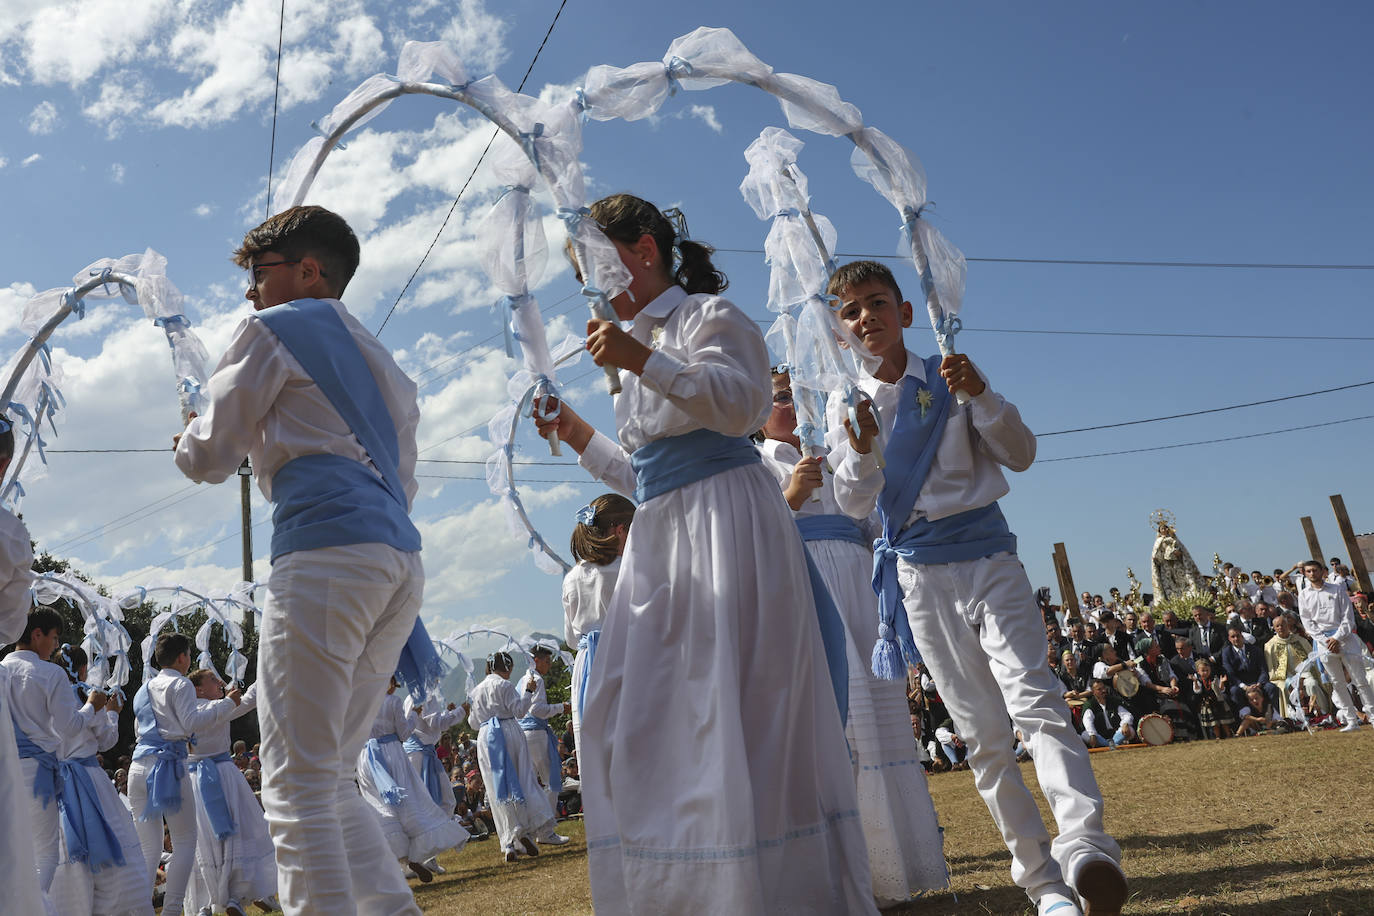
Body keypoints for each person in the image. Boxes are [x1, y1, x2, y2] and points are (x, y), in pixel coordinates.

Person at [536, 195, 876, 914]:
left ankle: (779, 890)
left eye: (597, 266)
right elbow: (647, 474)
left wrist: (644, 359)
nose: (592, 288)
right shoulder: (629, 352)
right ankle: (695, 890)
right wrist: (573, 430)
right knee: (648, 709)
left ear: (646, 250)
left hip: (730, 522)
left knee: (741, 701)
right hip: (664, 533)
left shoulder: (707, 319)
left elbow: (738, 408)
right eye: (581, 276)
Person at [825, 259, 1125, 916]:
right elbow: (850, 503)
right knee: (983, 735)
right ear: (838, 329)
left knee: (1037, 702)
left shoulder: (950, 376)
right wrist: (860, 450)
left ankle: (1087, 846)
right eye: (849, 311)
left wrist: (983, 395)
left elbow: (1020, 452)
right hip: (919, 577)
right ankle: (1044, 884)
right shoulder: (844, 403)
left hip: (988, 556)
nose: (865, 317)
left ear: (905, 313)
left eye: (876, 303)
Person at [173, 205, 427, 916]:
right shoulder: (380, 355)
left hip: (325, 553)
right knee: (331, 778)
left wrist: (187, 438)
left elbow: (213, 456)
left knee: (294, 783)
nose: (251, 292)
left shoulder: (270, 330)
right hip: (394, 558)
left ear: (309, 271)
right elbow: (402, 475)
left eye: (261, 274)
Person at [757, 367, 949, 905]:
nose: (790, 406)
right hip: (803, 584)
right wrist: (789, 496)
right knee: (836, 720)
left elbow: (867, 513)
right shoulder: (753, 465)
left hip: (858, 584)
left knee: (876, 713)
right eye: (777, 398)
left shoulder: (836, 450)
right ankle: (840, 871)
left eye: (797, 396)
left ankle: (894, 871)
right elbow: (749, 536)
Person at [3, 607, 112, 900]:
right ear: (37, 635)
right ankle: (32, 907)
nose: (55, 645)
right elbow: (70, 726)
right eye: (53, 637)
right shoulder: (49, 673)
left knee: (11, 853)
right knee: (45, 853)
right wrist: (92, 705)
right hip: (35, 773)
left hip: (5, 770)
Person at [129, 633, 242, 916]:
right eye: (189, 655)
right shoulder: (180, 683)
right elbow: (193, 723)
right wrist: (228, 703)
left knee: (148, 848)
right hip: (167, 766)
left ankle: (141, 909)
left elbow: (138, 729)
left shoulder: (144, 688)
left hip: (138, 766)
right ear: (182, 658)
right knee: (184, 841)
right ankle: (172, 910)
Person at [47, 644, 151, 916]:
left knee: (65, 846)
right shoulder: (85, 695)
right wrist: (113, 712)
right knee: (111, 834)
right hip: (89, 777)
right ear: (83, 668)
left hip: (56, 780)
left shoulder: (48, 697)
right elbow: (107, 740)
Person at [179, 669, 276, 916]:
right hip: (222, 775)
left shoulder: (185, 712)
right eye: (213, 680)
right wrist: (268, 669)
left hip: (195, 780)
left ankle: (206, 903)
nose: (219, 683)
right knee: (240, 831)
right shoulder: (218, 708)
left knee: (204, 840)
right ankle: (235, 896)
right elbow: (251, 698)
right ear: (199, 689)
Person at [357, 678, 470, 880]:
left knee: (381, 808)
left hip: (367, 756)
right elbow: (404, 732)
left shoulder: (360, 700)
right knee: (409, 803)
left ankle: (400, 860)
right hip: (391, 753)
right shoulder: (392, 702)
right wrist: (413, 716)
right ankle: (418, 855)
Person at [563, 492, 633, 770]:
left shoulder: (572, 577)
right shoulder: (628, 569)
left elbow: (570, 638)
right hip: (624, 655)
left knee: (597, 754)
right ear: (620, 531)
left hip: (586, 665)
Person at [466, 653, 556, 863]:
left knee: (496, 787)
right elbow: (520, 710)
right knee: (521, 780)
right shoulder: (505, 686)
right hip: (508, 732)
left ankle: (508, 844)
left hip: (486, 737)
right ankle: (523, 831)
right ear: (506, 667)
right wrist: (528, 691)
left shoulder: (476, 690)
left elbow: (472, 723)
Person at [1297, 560, 1374, 731]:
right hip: (1323, 643)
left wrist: (1337, 638)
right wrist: (1326, 641)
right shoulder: (1303, 595)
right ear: (1305, 573)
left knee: (1360, 679)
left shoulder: (1337, 590)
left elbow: (1348, 618)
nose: (1311, 574)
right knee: (1337, 683)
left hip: (1345, 639)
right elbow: (1308, 623)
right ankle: (1351, 720)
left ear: (1322, 571)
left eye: (1314, 570)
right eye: (1308, 571)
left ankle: (1372, 715)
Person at [517, 646, 571, 845]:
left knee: (530, 783)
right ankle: (545, 830)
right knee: (552, 782)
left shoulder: (523, 679)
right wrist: (560, 708)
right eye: (547, 661)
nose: (549, 665)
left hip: (525, 733)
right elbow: (537, 709)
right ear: (537, 660)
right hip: (536, 733)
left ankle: (530, 829)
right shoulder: (536, 679)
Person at [1264, 613, 1330, 720]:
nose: (1280, 628)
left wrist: (1301, 678)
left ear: (1288, 625)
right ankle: (1293, 718)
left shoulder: (1299, 640)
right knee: (1283, 689)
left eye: (1283, 625)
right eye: (1277, 626)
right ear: (1274, 628)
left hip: (1304, 673)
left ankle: (1323, 712)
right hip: (1285, 677)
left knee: (1312, 684)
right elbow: (1272, 669)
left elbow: (1310, 660)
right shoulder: (1270, 645)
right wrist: (1289, 681)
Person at [1218, 625, 1278, 712]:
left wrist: (1259, 683)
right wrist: (1244, 686)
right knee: (1234, 691)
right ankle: (1245, 718)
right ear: (1229, 639)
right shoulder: (1226, 653)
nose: (1236, 639)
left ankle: (1275, 715)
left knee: (1271, 688)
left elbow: (1263, 669)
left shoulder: (1255, 650)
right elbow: (1230, 674)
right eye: (1233, 637)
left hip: (1257, 682)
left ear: (1242, 636)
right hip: (1241, 684)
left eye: (1237, 636)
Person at [1187, 657, 1235, 740]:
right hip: (1207, 703)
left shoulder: (1214, 678)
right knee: (1214, 723)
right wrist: (1194, 681)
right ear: (1198, 671)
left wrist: (1222, 682)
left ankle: (1228, 735)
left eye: (1207, 670)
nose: (1205, 672)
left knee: (1224, 721)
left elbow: (1221, 690)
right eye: (1203, 671)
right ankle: (1217, 737)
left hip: (1218, 702)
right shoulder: (1198, 680)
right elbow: (1197, 691)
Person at [1080, 680, 1135, 749]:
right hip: (1100, 735)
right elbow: (1087, 721)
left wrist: (1125, 724)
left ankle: (1111, 745)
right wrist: (1092, 734)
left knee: (1130, 729)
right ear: (1093, 692)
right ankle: (1112, 745)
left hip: (1115, 733)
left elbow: (1127, 715)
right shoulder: (1090, 704)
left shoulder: (1113, 700)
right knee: (1085, 735)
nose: (1103, 691)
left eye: (1104, 688)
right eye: (1099, 689)